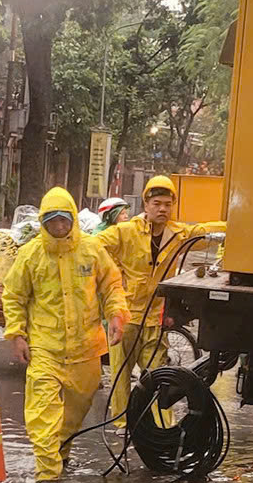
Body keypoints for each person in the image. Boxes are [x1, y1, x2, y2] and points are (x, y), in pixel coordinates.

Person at [1, 187, 127, 481]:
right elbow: (14, 296)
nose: (59, 227)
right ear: (44, 222)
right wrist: (17, 335)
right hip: (45, 348)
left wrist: (117, 316)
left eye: (64, 220)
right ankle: (48, 478)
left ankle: (60, 451)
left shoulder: (92, 250)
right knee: (43, 412)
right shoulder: (32, 255)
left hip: (86, 348)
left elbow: (111, 286)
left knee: (76, 409)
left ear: (72, 219)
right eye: (52, 221)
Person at [94, 174, 226, 421]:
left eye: (167, 204)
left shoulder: (177, 234)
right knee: (120, 374)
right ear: (146, 204)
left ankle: (161, 426)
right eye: (157, 204)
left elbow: (203, 231)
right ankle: (122, 423)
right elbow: (93, 247)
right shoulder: (125, 232)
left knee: (158, 375)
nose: (163, 209)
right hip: (125, 315)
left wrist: (236, 224)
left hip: (156, 316)